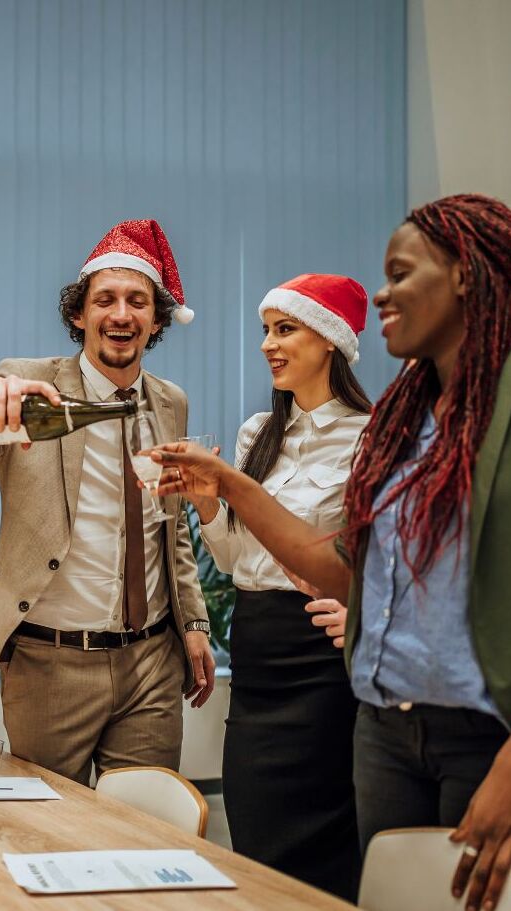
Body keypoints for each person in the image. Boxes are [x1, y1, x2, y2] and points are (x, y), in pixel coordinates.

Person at [152, 194, 511, 911]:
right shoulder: (407, 420)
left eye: (400, 273)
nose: (381, 292)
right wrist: (226, 486)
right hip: (388, 737)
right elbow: (348, 575)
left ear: (465, 276)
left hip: (503, 740)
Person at [0, 219, 214, 786]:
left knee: (145, 834)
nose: (121, 314)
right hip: (50, 662)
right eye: (105, 300)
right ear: (80, 314)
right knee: (49, 832)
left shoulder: (171, 403)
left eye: (137, 301)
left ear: (155, 320)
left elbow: (170, 526)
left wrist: (194, 622)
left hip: (152, 661)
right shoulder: (27, 387)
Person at [191, 274, 371, 899]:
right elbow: (239, 554)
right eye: (266, 331)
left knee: (329, 837)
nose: (268, 343)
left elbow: (376, 560)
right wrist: (209, 506)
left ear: (329, 341)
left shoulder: (371, 438)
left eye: (284, 329)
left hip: (323, 654)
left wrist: (362, 611)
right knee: (255, 831)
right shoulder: (254, 435)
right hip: (258, 649)